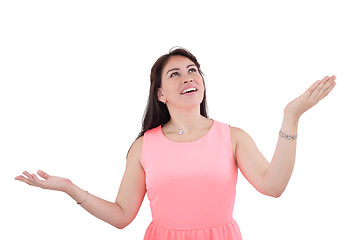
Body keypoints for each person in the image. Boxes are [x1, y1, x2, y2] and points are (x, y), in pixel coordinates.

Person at [15, 47, 336, 239]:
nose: (188, 77)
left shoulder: (232, 137)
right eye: (175, 74)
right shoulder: (144, 147)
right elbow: (123, 215)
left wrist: (291, 117)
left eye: (193, 70)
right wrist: (71, 188)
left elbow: (273, 186)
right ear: (160, 94)